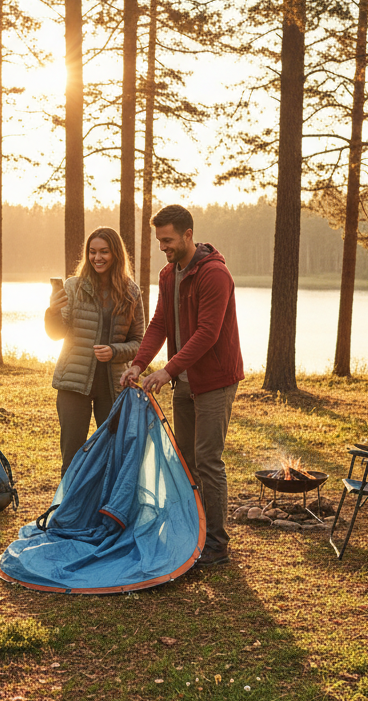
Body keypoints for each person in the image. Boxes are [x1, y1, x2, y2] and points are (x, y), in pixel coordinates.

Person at [119, 204, 244, 566]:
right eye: (159, 240)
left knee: (208, 460)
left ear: (188, 235)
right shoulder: (168, 274)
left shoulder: (214, 274)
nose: (164, 247)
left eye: (169, 240)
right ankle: (195, 533)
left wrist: (167, 371)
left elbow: (208, 333)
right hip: (185, 382)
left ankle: (217, 545)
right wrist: (139, 364)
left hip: (215, 382)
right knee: (186, 461)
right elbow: (159, 323)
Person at [46, 227, 145, 474]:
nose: (97, 257)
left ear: (116, 255)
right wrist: (52, 312)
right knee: (72, 456)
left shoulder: (131, 292)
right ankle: (67, 511)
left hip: (113, 386)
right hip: (73, 384)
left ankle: (106, 510)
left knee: (114, 454)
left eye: (104, 252)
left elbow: (138, 342)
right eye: (92, 252)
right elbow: (56, 334)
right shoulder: (73, 287)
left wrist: (114, 351)